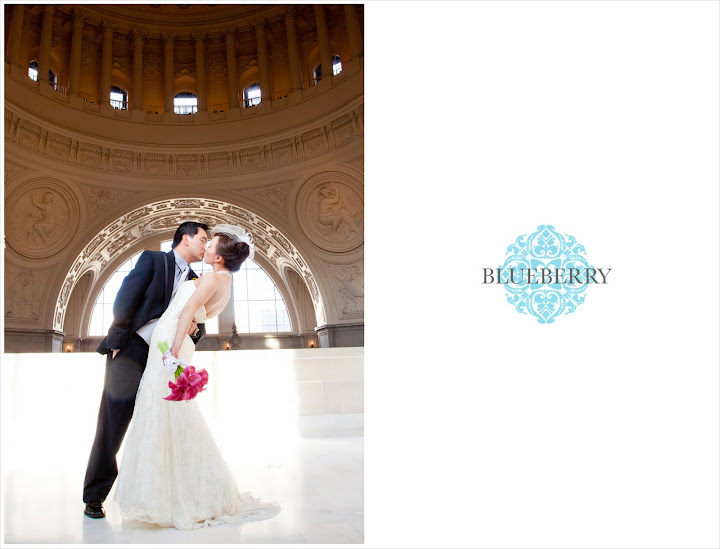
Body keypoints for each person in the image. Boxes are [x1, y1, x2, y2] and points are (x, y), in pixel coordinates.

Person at [114, 224, 280, 530]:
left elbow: (186, 311)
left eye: (211, 244)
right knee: (169, 412)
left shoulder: (210, 278)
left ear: (219, 257)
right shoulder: (224, 280)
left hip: (170, 343)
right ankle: (171, 488)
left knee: (162, 409)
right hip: (176, 342)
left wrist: (172, 353)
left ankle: (171, 494)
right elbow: (196, 315)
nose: (206, 248)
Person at [83, 221, 209, 519]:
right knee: (113, 423)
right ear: (186, 238)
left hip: (164, 361)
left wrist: (193, 331)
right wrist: (117, 344)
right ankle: (94, 496)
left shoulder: (196, 281)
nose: (206, 246)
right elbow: (126, 298)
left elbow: (198, 327)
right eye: (203, 239)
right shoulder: (153, 260)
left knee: (158, 426)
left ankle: (158, 495)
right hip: (133, 350)